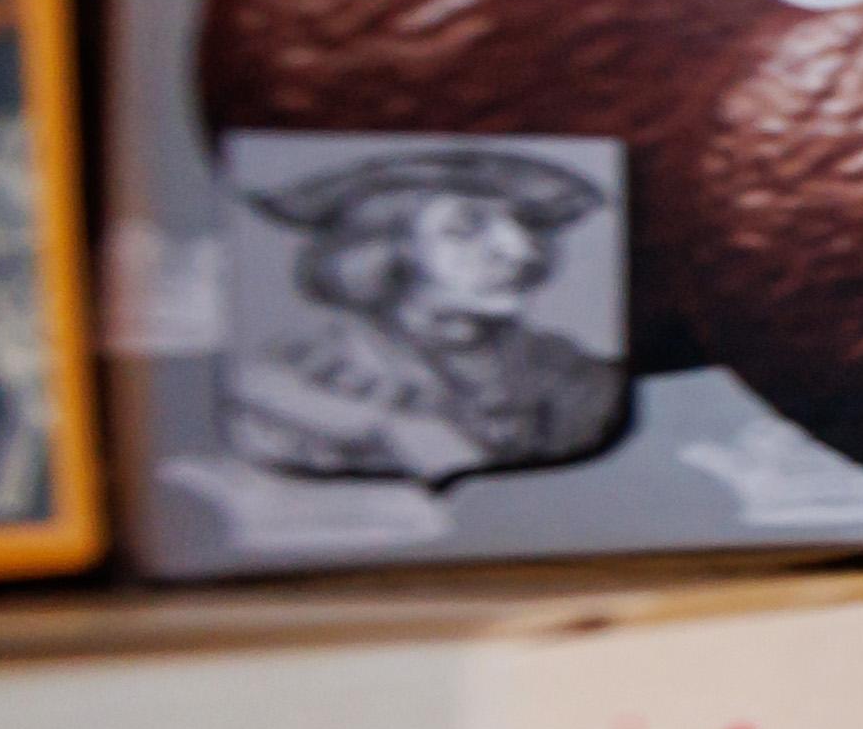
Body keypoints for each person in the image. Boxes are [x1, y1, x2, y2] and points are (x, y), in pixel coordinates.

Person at [227, 145, 629, 484]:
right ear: (384, 248)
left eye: (525, 224)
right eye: (465, 227)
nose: (521, 251)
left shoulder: (573, 375)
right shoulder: (291, 379)